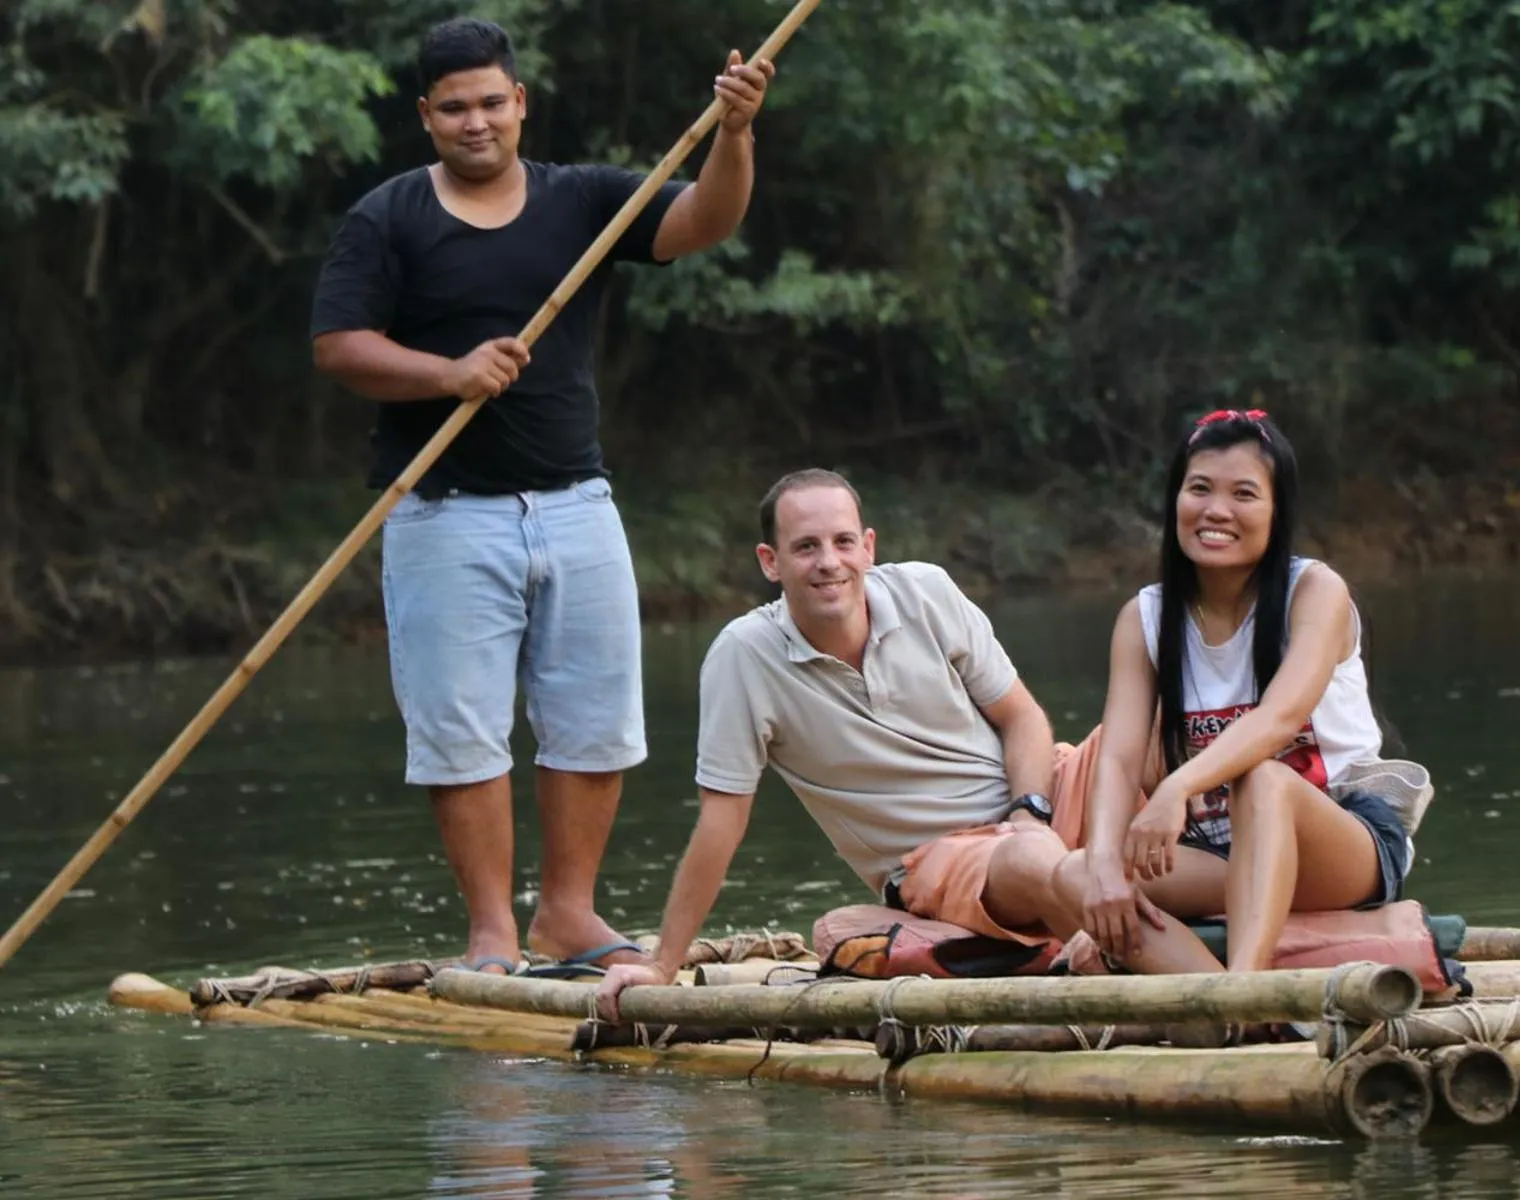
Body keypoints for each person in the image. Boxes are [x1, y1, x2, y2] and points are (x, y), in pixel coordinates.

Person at [308, 17, 777, 974]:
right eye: (455, 108)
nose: (475, 122)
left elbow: (703, 222)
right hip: (442, 512)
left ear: (519, 103)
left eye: (491, 103)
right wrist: (449, 373)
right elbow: (339, 345)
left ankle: (568, 914)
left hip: (576, 503)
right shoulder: (388, 216)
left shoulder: (586, 201)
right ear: (426, 117)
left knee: (595, 718)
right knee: (463, 731)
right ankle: (491, 932)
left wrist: (735, 133)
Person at [593, 468, 1251, 1019]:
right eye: (806, 547)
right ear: (771, 562)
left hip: (1040, 800)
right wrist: (662, 965)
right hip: (942, 861)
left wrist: (1029, 811)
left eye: (843, 541)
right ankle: (1237, 1016)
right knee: (1038, 867)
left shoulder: (924, 591)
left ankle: (1302, 864)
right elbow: (720, 823)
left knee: (1163, 728)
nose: (829, 562)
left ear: (868, 546)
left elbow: (1022, 719)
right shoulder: (744, 657)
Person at [1076, 408, 1416, 973]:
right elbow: (1117, 757)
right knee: (1076, 872)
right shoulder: (1145, 617)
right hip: (1225, 855)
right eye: (1200, 489)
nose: (1216, 511)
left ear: (1277, 511)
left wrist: (1175, 788)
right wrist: (1106, 862)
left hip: (1342, 842)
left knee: (1264, 780)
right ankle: (1211, 1001)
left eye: (1244, 494)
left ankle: (1245, 988)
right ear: (1175, 500)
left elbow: (1280, 720)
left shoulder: (1315, 592)